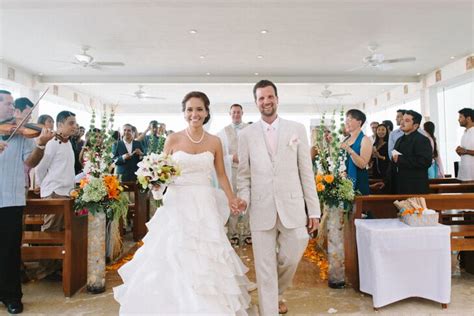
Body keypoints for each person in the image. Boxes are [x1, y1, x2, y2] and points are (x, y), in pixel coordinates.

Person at [114, 91, 252, 315]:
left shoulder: (215, 141)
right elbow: (160, 170)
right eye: (190, 109)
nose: (194, 114)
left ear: (206, 112)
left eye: (199, 109)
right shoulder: (173, 139)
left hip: (205, 203)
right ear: (184, 112)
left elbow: (222, 175)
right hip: (177, 203)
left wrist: (231, 198)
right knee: (173, 250)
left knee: (207, 254)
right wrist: (155, 182)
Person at [237, 80, 320, 315]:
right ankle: (269, 310)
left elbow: (306, 171)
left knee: (294, 251)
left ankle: (277, 292)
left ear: (277, 98)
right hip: (260, 208)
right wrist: (244, 199)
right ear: (256, 102)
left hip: (292, 206)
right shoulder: (246, 135)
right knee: (264, 268)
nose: (266, 101)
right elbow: (244, 175)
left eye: (270, 96)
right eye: (261, 98)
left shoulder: (296, 129)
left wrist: (313, 210)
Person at [0, 90, 55, 314]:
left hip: (11, 198)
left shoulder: (22, 133)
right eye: (8, 104)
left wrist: (41, 145)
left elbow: (31, 162)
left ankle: (11, 296)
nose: (13, 109)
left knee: (10, 250)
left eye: (14, 105)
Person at [217, 104, 250, 245]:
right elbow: (219, 156)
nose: (236, 115)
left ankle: (248, 233)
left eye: (238, 112)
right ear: (230, 114)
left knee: (248, 200)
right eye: (233, 112)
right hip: (232, 171)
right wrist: (231, 158)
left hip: (248, 170)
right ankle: (233, 233)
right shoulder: (222, 133)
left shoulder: (250, 130)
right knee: (232, 200)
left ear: (242, 113)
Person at [390, 110, 432, 194]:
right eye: (402, 119)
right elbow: (394, 160)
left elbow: (425, 162)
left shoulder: (422, 140)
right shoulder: (399, 139)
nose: (402, 123)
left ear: (415, 125)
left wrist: (400, 159)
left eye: (407, 121)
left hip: (415, 186)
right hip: (400, 183)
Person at [340, 109, 372, 195]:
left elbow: (362, 164)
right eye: (346, 120)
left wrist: (348, 149)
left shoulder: (365, 140)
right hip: (344, 180)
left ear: (359, 122)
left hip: (358, 180)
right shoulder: (346, 139)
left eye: (349, 120)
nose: (346, 122)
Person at [456, 108, 474, 181]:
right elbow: (465, 153)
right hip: (464, 174)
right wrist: (459, 151)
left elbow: (466, 151)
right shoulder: (465, 132)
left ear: (468, 118)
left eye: (461, 117)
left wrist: (465, 151)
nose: (458, 119)